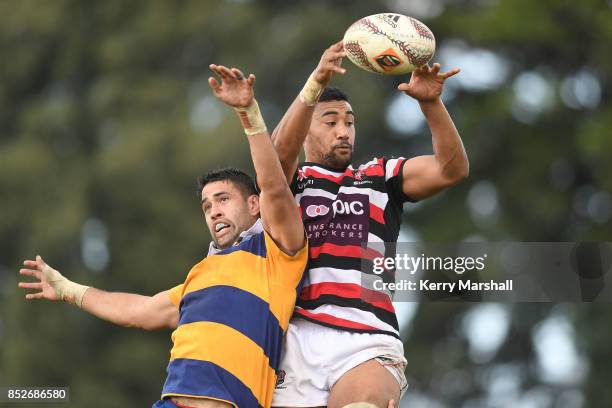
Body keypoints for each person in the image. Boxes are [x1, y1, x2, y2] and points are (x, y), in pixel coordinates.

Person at [18, 64, 308, 408]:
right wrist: (68, 289)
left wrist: (248, 113)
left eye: (223, 199)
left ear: (254, 205)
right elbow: (138, 311)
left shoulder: (276, 256)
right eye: (206, 205)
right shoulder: (198, 277)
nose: (213, 210)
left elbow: (273, 184)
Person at [270, 41, 468, 408]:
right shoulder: (289, 183)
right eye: (330, 122)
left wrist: (431, 104)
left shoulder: (380, 176)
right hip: (298, 337)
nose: (343, 131)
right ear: (306, 130)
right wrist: (314, 84)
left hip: (367, 337)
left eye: (349, 122)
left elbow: (450, 169)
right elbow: (277, 155)